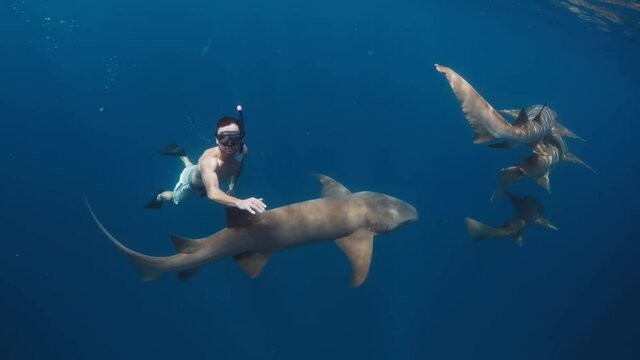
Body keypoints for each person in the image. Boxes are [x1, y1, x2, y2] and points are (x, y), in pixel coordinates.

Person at [145, 105, 267, 215]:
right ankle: (159, 196)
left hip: (198, 172)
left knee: (192, 168)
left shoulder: (242, 151)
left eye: (234, 138)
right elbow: (213, 192)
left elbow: (238, 166)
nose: (229, 145)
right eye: (223, 138)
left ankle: (182, 155)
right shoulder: (209, 161)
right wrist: (239, 202)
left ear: (241, 138)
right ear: (216, 139)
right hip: (190, 184)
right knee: (174, 198)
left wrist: (232, 185)